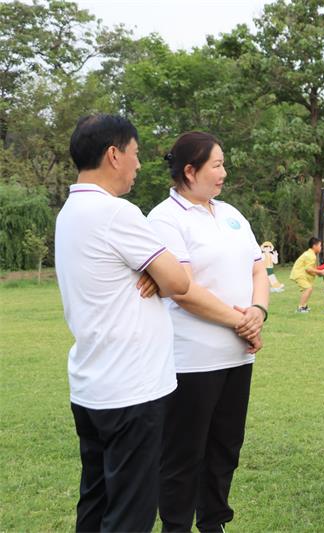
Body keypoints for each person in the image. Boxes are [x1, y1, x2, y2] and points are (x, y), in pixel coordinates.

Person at [55, 114, 189, 532]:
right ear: (114, 155)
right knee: (130, 513)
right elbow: (179, 281)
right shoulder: (115, 213)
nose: (139, 164)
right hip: (132, 390)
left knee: (96, 503)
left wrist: (151, 272)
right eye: (135, 153)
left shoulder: (70, 211)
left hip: (93, 383)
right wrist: (155, 272)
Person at [147, 131, 269, 532]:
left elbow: (258, 270)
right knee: (184, 454)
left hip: (238, 355)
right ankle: (177, 526)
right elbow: (181, 289)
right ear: (190, 170)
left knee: (225, 448)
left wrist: (258, 312)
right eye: (217, 165)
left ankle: (214, 523)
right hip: (192, 359)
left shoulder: (231, 213)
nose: (223, 172)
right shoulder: (165, 218)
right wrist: (240, 322)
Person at [290, 237, 324, 312]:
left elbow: (310, 269)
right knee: (308, 288)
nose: (321, 247)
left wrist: (319, 273)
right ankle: (300, 308)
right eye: (320, 245)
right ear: (314, 246)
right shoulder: (310, 255)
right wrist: (320, 272)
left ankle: (304, 306)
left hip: (300, 274)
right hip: (299, 274)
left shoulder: (310, 254)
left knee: (308, 289)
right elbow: (308, 269)